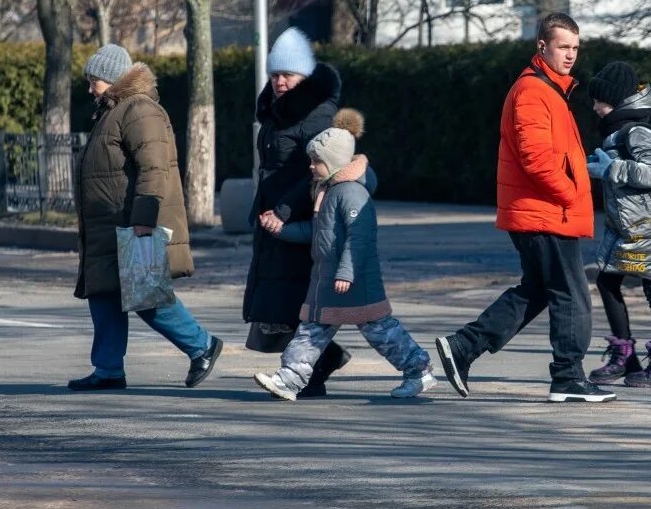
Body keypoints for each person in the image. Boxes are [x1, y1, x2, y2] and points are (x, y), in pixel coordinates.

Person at [435, 13, 615, 403]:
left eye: (575, 48)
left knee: (536, 291)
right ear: (542, 47)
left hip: (543, 211)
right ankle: (568, 377)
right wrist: (570, 193)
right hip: (545, 212)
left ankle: (463, 348)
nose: (571, 55)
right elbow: (536, 160)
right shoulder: (534, 92)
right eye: (563, 47)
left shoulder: (550, 90)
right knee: (571, 294)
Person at [69, 44, 222, 391]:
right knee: (104, 295)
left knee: (146, 295)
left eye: (94, 80)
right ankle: (107, 368)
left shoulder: (138, 110)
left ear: (111, 79)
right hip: (108, 226)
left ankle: (202, 346)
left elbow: (154, 169)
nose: (90, 87)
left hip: (131, 224)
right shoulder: (114, 110)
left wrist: (144, 219)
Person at [254, 125, 437, 400]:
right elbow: (317, 232)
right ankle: (289, 379)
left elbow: (359, 239)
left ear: (335, 162)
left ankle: (418, 370)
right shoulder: (327, 189)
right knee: (311, 331)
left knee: (380, 331)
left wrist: (346, 273)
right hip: (327, 282)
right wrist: (280, 230)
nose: (312, 167)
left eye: (317, 161)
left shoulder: (351, 193)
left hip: (354, 282)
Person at [243, 27, 351, 397]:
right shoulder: (277, 112)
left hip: (300, 216)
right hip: (273, 214)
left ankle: (314, 370)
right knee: (282, 301)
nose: (280, 81)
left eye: (288, 74)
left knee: (297, 301)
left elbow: (316, 170)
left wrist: (286, 210)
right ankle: (322, 361)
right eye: (275, 74)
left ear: (305, 76)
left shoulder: (317, 114)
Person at [584, 62, 651, 388]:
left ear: (618, 101)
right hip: (627, 228)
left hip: (650, 227)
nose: (595, 108)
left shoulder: (637, 132)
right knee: (607, 281)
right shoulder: (617, 132)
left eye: (601, 101)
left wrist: (613, 168)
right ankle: (625, 356)